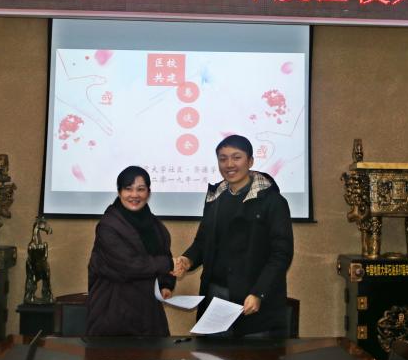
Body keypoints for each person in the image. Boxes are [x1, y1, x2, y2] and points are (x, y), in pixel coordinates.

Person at [172, 134, 294, 337]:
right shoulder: (216, 197)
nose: (229, 164)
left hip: (252, 298)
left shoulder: (272, 201)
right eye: (223, 159)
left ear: (250, 161)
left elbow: (281, 254)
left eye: (236, 157)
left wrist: (259, 293)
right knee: (212, 355)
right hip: (215, 295)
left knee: (252, 354)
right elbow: (202, 242)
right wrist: (188, 260)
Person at [85, 166, 176, 336]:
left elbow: (164, 255)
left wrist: (166, 284)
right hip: (113, 312)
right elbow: (129, 266)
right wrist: (169, 264)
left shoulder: (155, 225)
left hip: (148, 312)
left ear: (148, 192)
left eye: (141, 189)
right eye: (128, 189)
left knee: (156, 352)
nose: (135, 195)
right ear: (119, 192)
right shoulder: (108, 226)